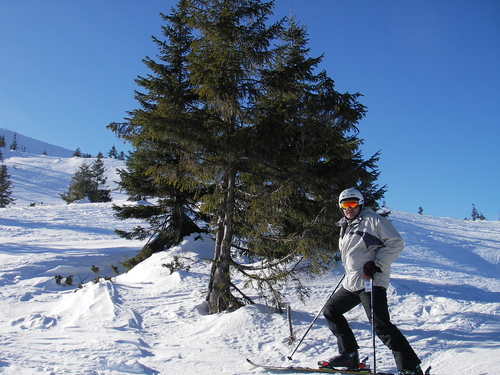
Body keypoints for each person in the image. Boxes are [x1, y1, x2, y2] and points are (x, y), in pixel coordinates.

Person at [322, 187, 423, 375]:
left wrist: (377, 264)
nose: (349, 208)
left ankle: (410, 367)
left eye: (353, 203)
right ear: (341, 207)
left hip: (371, 281)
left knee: (381, 326)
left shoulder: (373, 220)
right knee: (331, 310)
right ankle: (349, 355)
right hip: (353, 282)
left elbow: (396, 243)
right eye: (345, 204)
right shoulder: (346, 225)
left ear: (360, 204)